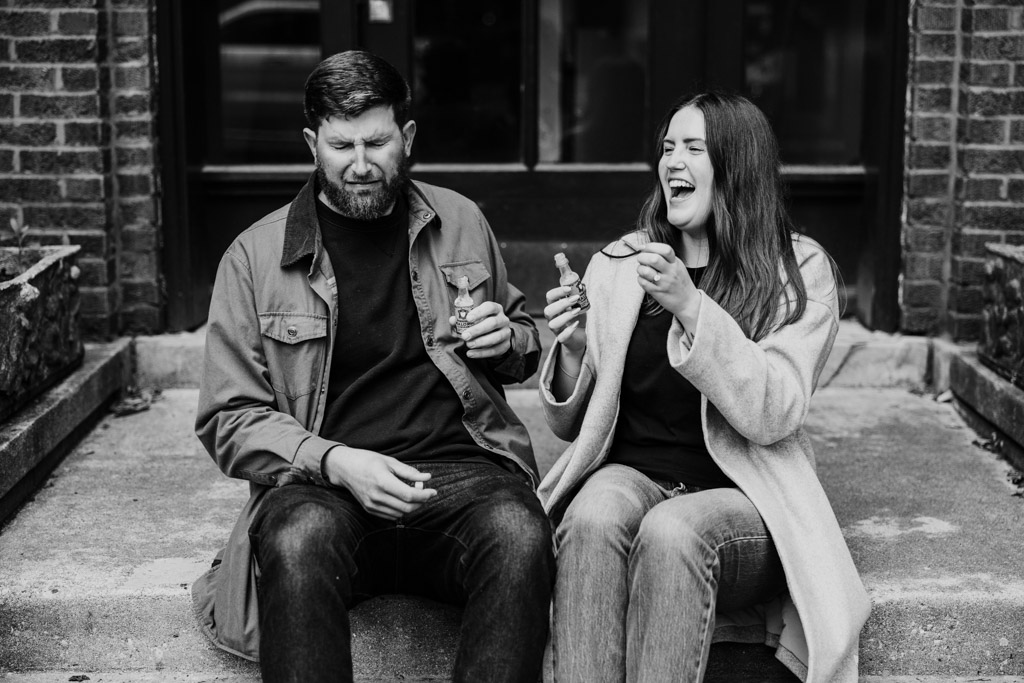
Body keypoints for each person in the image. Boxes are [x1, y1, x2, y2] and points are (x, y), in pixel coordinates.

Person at [191, 50, 554, 683]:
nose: (360, 164)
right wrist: (335, 461)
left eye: (377, 143)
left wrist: (508, 340)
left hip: (459, 475)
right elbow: (228, 417)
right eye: (341, 146)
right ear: (313, 145)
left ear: (406, 137)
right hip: (325, 486)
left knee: (521, 533)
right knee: (296, 538)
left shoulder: (461, 220)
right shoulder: (252, 258)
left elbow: (525, 339)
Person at [538, 92, 870, 682]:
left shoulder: (798, 272)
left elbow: (774, 411)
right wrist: (573, 349)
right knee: (591, 516)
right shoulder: (622, 264)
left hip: (746, 500)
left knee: (673, 531)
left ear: (736, 166)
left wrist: (692, 308)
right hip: (635, 474)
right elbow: (570, 424)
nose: (673, 161)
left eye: (694, 148)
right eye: (668, 147)